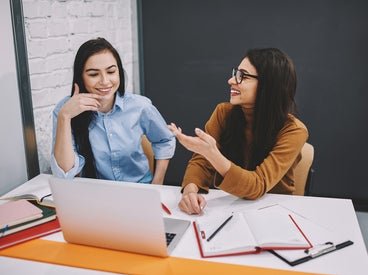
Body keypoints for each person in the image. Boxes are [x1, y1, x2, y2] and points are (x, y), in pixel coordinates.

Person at [169, 48, 308, 214]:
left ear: (268, 85)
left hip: (274, 211)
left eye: (243, 76)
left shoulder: (294, 131)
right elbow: (201, 161)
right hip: (229, 207)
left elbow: (257, 185)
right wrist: (189, 192)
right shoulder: (223, 113)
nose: (231, 80)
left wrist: (212, 153)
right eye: (236, 73)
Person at [51, 37, 175, 184]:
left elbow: (165, 140)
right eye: (93, 74)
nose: (105, 81)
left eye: (111, 71)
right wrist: (64, 117)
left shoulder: (140, 106)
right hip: (93, 194)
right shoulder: (65, 110)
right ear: (81, 77)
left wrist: (157, 183)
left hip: (139, 191)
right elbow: (64, 173)